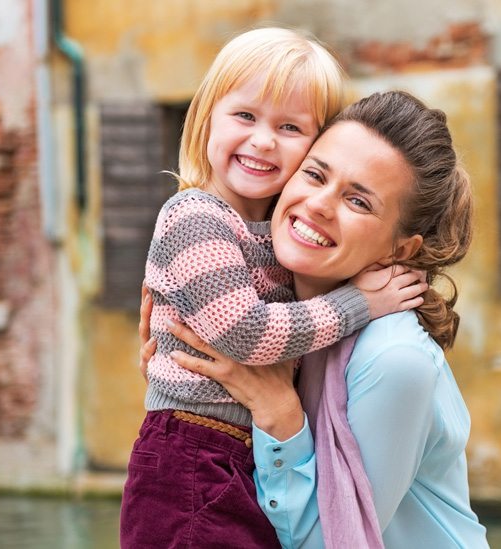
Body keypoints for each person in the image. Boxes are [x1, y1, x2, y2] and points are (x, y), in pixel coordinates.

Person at [142, 90, 491, 548]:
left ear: (400, 250)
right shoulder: (270, 309)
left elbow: (331, 542)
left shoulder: (396, 359)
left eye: (359, 202)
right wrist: (179, 378)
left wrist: (279, 411)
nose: (320, 204)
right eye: (314, 174)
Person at [120, 28, 426, 549]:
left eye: (289, 127)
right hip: (193, 457)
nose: (263, 140)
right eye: (245, 116)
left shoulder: (272, 236)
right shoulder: (195, 216)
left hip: (239, 453)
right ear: (206, 117)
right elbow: (246, 333)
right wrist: (361, 303)